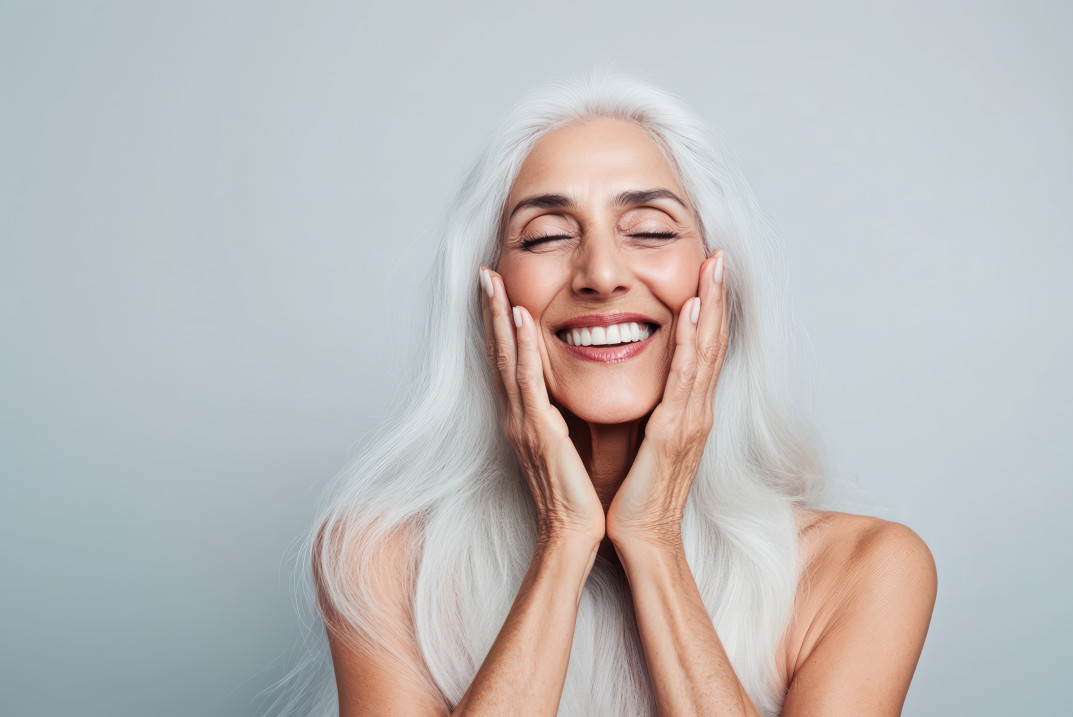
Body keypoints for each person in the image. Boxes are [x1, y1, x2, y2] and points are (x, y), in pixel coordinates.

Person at [266, 68, 936, 717]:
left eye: (649, 229)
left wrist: (653, 538)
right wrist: (564, 538)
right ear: (486, 292)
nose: (601, 272)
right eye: (548, 235)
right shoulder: (380, 557)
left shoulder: (865, 570)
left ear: (722, 281)